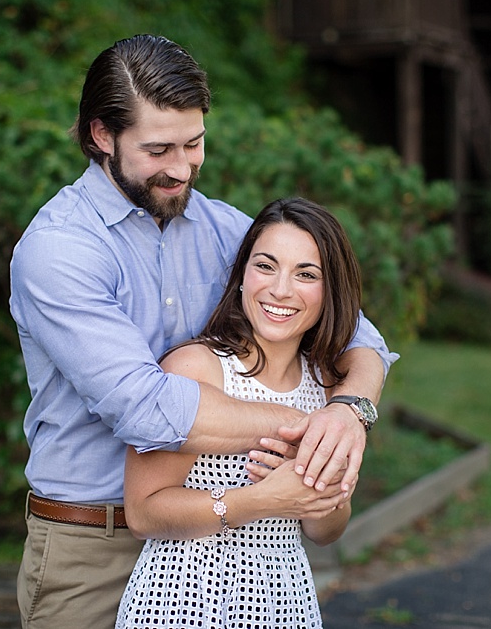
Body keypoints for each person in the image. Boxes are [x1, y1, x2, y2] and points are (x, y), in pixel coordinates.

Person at [9, 34, 398, 629]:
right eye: (160, 148)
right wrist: (305, 427)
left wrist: (348, 411)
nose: (182, 167)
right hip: (92, 548)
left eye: (194, 144)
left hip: (219, 564)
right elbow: (144, 406)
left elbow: (355, 334)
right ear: (101, 136)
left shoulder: (224, 230)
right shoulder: (59, 250)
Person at [116, 198, 362, 628]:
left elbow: (326, 532)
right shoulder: (197, 367)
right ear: (243, 275)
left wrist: (323, 485)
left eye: (306, 274)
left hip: (285, 602)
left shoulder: (327, 385)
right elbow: (143, 513)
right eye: (266, 266)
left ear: (331, 290)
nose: (281, 290)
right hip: (184, 600)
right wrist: (261, 500)